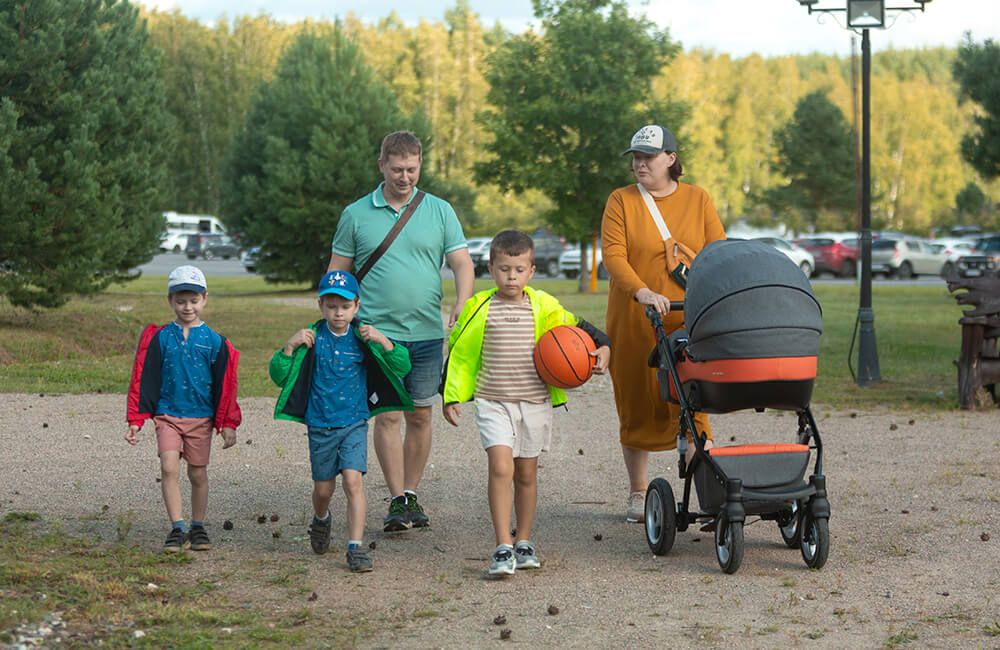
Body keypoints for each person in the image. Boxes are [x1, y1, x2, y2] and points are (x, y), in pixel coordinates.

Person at [328, 130, 475, 532]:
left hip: (426, 333)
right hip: (375, 334)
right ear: (382, 166)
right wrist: (340, 316)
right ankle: (396, 499)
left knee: (421, 417)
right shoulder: (356, 214)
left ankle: (412, 492)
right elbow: (337, 273)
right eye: (397, 169)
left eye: (411, 169)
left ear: (420, 166)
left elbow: (462, 263)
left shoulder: (440, 211)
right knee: (388, 416)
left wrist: (462, 300)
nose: (404, 177)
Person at [440, 230, 610, 575]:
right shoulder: (479, 307)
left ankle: (525, 540)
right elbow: (458, 354)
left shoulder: (544, 305)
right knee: (501, 467)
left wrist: (604, 348)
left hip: (534, 402)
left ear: (531, 270)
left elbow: (585, 329)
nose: (511, 277)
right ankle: (503, 545)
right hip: (493, 401)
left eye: (519, 269)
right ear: (491, 268)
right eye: (504, 269)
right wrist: (451, 394)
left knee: (527, 473)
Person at [601, 124, 726, 523]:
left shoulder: (698, 199)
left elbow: (717, 251)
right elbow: (614, 257)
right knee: (637, 399)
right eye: (635, 157)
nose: (639, 164)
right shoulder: (620, 201)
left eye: (648, 157)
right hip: (637, 320)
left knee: (695, 404)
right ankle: (638, 493)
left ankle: (706, 493)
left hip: (690, 318)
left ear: (671, 159)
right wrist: (640, 292)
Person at [269, 270, 413, 573]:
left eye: (345, 307)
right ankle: (321, 519)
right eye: (332, 306)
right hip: (320, 425)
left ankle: (355, 547)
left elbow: (402, 365)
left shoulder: (363, 337)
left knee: (352, 480)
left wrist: (383, 339)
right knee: (324, 491)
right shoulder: (312, 338)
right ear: (321, 305)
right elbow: (279, 375)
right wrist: (289, 347)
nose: (338, 313)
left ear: (356, 307)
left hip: (354, 424)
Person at [125, 265, 241, 552]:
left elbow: (226, 386)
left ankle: (198, 526)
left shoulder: (215, 342)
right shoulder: (160, 338)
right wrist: (136, 419)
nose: (187, 306)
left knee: (198, 474)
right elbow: (144, 378)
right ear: (170, 301)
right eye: (180, 300)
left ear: (204, 299)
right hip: (168, 415)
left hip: (200, 418)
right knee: (168, 466)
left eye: (193, 300)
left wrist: (228, 423)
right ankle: (177, 527)